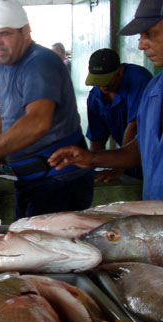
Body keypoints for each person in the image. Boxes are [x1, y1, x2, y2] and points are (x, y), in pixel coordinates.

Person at [0, 0, 94, 220]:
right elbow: (5, 114)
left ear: (25, 32)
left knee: (50, 250)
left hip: (60, 180)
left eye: (5, 34)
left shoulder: (40, 62)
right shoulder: (0, 64)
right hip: (28, 178)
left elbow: (38, 121)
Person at [49, 0, 163, 201]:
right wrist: (91, 159)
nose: (141, 44)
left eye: (149, 33)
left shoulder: (139, 80)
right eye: (140, 36)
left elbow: (133, 126)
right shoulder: (155, 89)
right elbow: (140, 149)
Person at [84, 48, 152, 181]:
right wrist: (90, 168)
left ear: (119, 72)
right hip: (127, 158)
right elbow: (97, 140)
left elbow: (134, 126)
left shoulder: (138, 79)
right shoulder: (94, 97)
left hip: (149, 154)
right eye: (98, 82)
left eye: (107, 80)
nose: (103, 87)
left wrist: (119, 168)